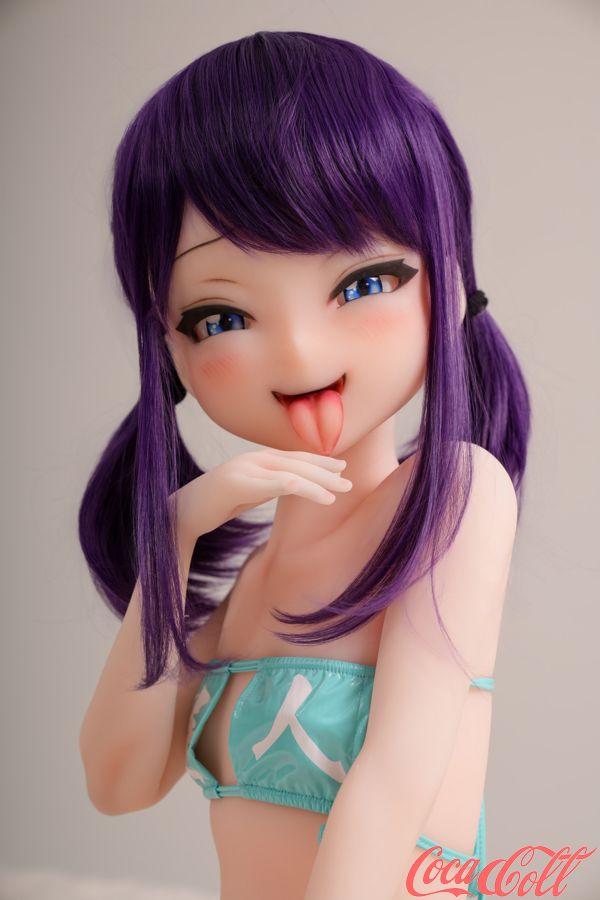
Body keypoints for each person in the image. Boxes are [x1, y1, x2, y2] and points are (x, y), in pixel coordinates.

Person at [78, 30, 530, 900]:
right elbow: (117, 782)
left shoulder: (457, 496)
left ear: (450, 279)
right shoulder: (253, 579)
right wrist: (175, 532)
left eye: (363, 283)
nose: (300, 353)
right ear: (168, 345)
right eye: (220, 318)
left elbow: (392, 788)